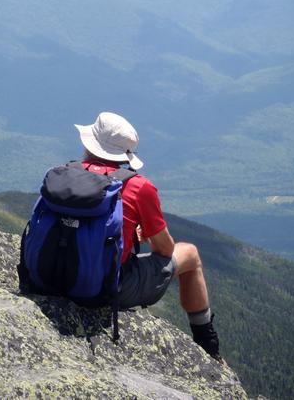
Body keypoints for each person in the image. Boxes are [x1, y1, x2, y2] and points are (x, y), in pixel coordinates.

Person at [74, 111, 222, 362]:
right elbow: (165, 250)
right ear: (124, 155)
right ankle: (209, 347)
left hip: (56, 274)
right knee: (191, 255)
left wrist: (127, 234)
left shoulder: (66, 175)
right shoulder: (138, 186)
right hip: (104, 289)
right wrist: (140, 235)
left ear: (90, 144)